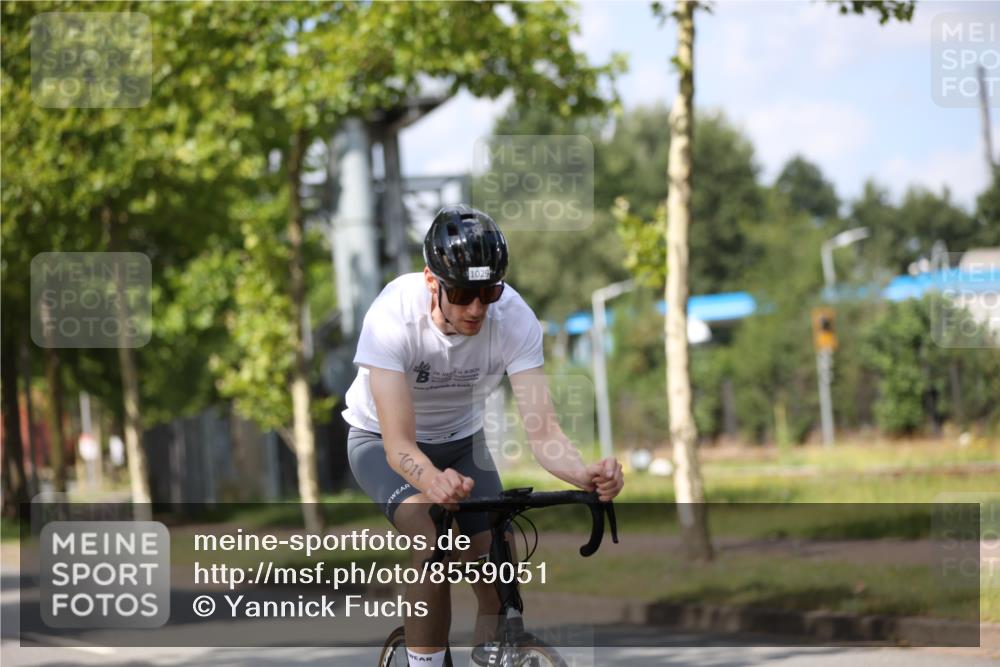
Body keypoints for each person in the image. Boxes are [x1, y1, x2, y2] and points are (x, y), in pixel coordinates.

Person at [343, 204, 624, 667]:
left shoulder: (513, 317)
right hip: (380, 442)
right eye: (462, 293)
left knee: (497, 550)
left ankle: (491, 655)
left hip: (462, 441)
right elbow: (398, 445)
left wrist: (584, 473)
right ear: (432, 281)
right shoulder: (392, 316)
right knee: (434, 538)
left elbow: (544, 430)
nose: (476, 308)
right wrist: (432, 481)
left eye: (488, 292)